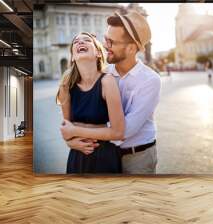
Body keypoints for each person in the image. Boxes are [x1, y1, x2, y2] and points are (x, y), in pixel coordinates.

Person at [61, 11, 161, 174]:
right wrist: (71, 142)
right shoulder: (104, 73)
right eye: (105, 38)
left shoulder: (150, 80)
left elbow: (124, 130)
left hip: (137, 156)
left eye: (111, 42)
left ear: (130, 48)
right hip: (105, 153)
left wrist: (77, 130)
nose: (105, 45)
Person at [56, 32, 125, 174]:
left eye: (87, 40)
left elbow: (118, 132)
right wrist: (70, 142)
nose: (80, 42)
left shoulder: (107, 81)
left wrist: (75, 131)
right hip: (78, 155)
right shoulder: (66, 85)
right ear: (73, 57)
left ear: (98, 53)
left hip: (104, 156)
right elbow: (66, 128)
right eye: (76, 42)